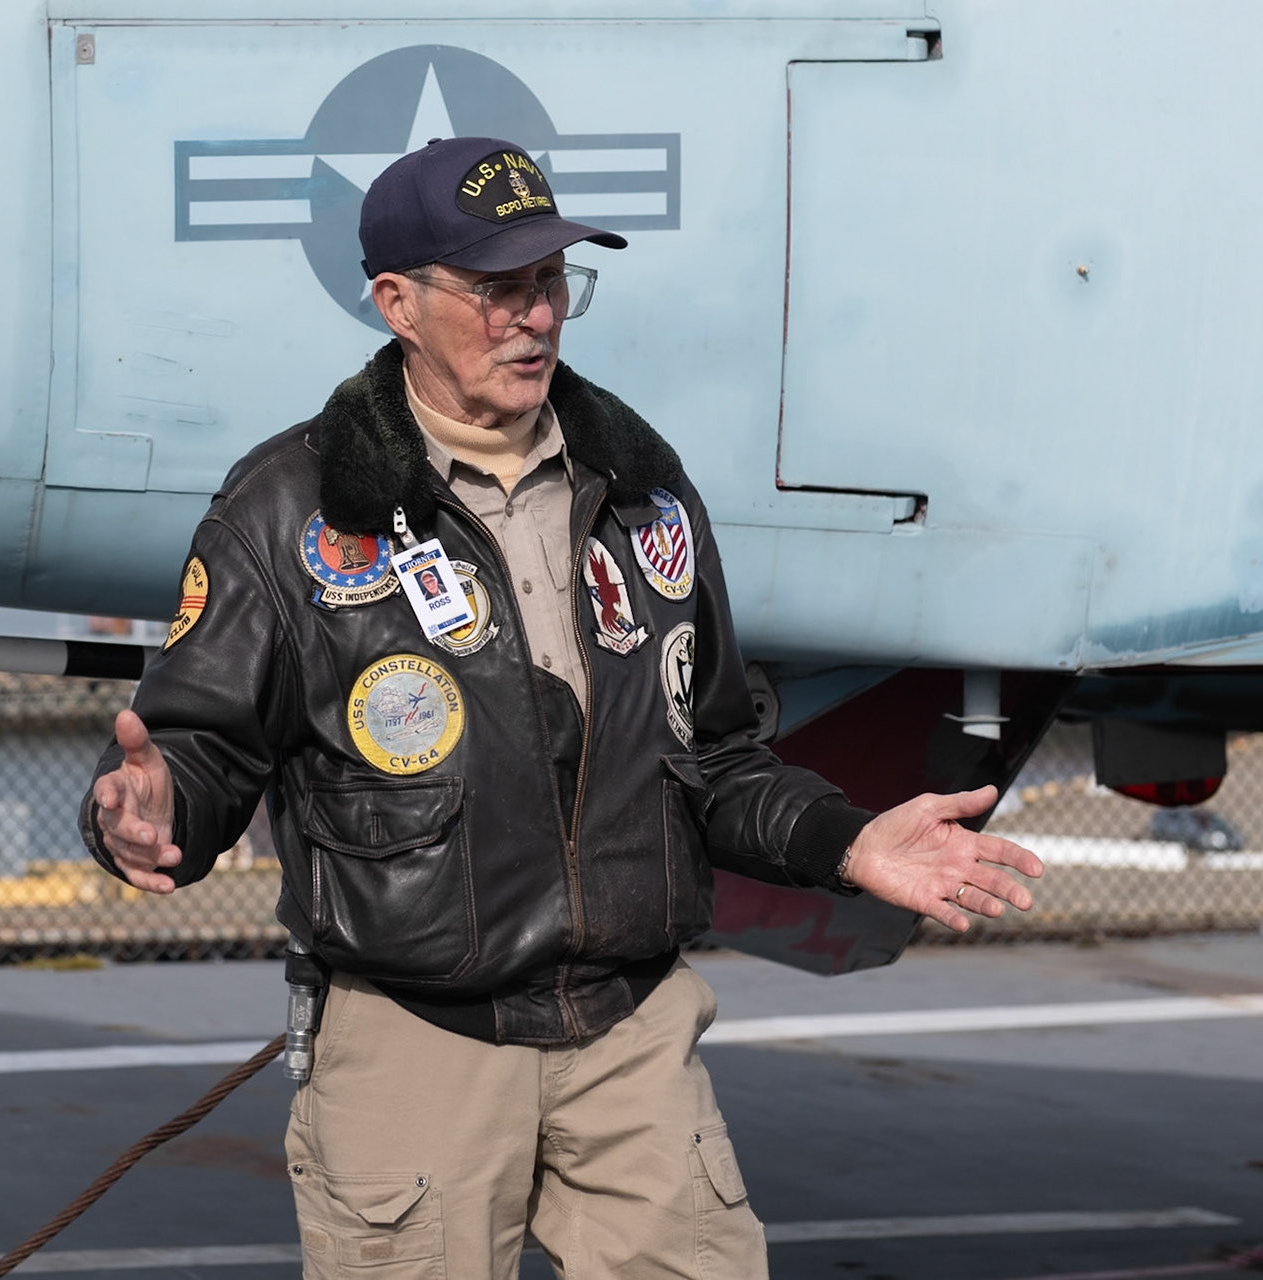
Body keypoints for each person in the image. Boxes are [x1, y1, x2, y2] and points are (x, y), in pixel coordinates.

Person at [81, 136, 1041, 1278]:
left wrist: (848, 841)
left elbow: (718, 756)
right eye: (497, 289)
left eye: (550, 282)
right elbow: (200, 748)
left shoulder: (642, 488)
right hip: (414, 1042)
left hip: (631, 1033)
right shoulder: (287, 509)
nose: (533, 317)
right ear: (396, 302)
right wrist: (148, 809)